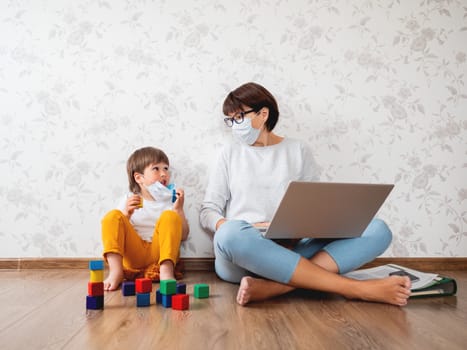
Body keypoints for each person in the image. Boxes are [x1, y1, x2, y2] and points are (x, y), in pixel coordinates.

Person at [199, 82, 411, 306]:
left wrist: (296, 233)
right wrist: (238, 226)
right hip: (245, 254)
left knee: (377, 229)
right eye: (230, 120)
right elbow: (208, 211)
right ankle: (356, 289)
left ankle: (274, 287)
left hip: (291, 247)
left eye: (239, 117)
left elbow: (313, 207)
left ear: (263, 114)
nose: (235, 126)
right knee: (230, 233)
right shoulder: (229, 153)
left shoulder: (298, 150)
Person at [101, 146, 189, 291]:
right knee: (112, 216)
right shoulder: (129, 199)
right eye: (156, 169)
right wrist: (126, 215)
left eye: (166, 169)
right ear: (139, 178)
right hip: (135, 255)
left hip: (159, 254)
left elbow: (184, 236)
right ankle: (116, 272)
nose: (163, 174)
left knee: (170, 216)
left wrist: (178, 209)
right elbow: (116, 232)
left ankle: (166, 272)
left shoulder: (171, 202)